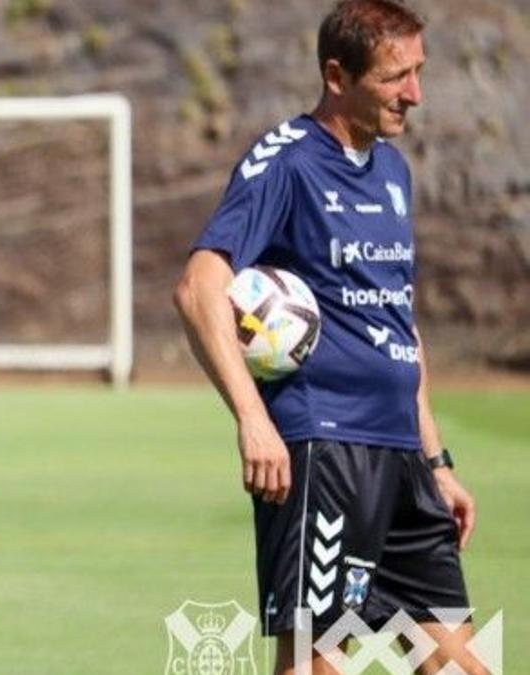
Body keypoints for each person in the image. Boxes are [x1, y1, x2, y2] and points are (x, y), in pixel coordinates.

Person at [174, 1, 483, 673]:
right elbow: (200, 287)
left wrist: (437, 461)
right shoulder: (286, 162)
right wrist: (253, 420)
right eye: (396, 77)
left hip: (401, 455)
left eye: (419, 73)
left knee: (458, 662)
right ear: (337, 76)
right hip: (324, 445)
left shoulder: (394, 172)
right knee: (319, 660)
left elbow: (398, 321)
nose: (416, 95)